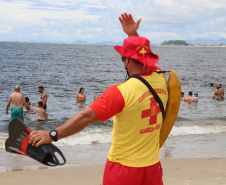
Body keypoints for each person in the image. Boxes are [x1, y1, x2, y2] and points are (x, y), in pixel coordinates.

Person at [29, 13, 168, 185]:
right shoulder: (161, 78)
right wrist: (133, 36)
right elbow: (144, 61)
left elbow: (85, 117)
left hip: (123, 169)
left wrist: (52, 134)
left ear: (126, 61)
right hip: (152, 168)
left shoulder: (121, 92)